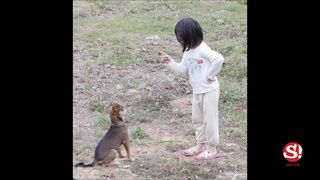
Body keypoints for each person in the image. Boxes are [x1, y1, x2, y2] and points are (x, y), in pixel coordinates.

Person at [162, 17, 224, 160]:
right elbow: (183, 69)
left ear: (192, 35)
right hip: (197, 91)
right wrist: (170, 62)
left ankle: (212, 149)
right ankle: (200, 145)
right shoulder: (188, 52)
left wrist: (210, 74)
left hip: (209, 91)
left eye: (182, 39)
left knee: (210, 120)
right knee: (197, 119)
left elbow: (219, 59)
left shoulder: (203, 49)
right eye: (180, 40)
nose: (181, 42)